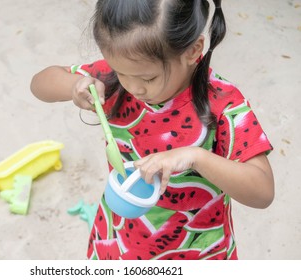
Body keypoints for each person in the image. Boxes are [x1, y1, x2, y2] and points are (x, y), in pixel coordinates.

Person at [30, 0, 274, 260]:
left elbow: (262, 192)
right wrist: (74, 85)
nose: (134, 88)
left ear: (193, 51)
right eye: (120, 72)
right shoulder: (116, 78)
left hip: (197, 247)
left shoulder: (224, 105)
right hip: (118, 234)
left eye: (148, 78)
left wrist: (196, 157)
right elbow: (39, 84)